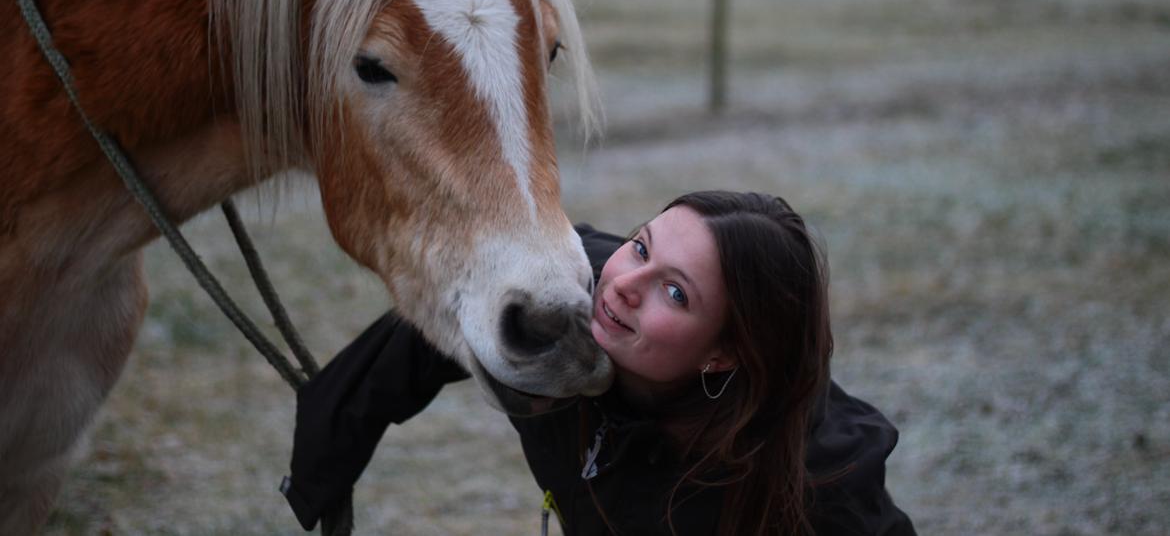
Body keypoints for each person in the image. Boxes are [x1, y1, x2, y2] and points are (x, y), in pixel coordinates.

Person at [281, 190, 916, 535]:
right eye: (641, 246)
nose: (624, 285)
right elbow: (418, 340)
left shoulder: (818, 476)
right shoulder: (552, 310)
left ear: (723, 354)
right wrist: (321, 471)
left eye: (676, 292)